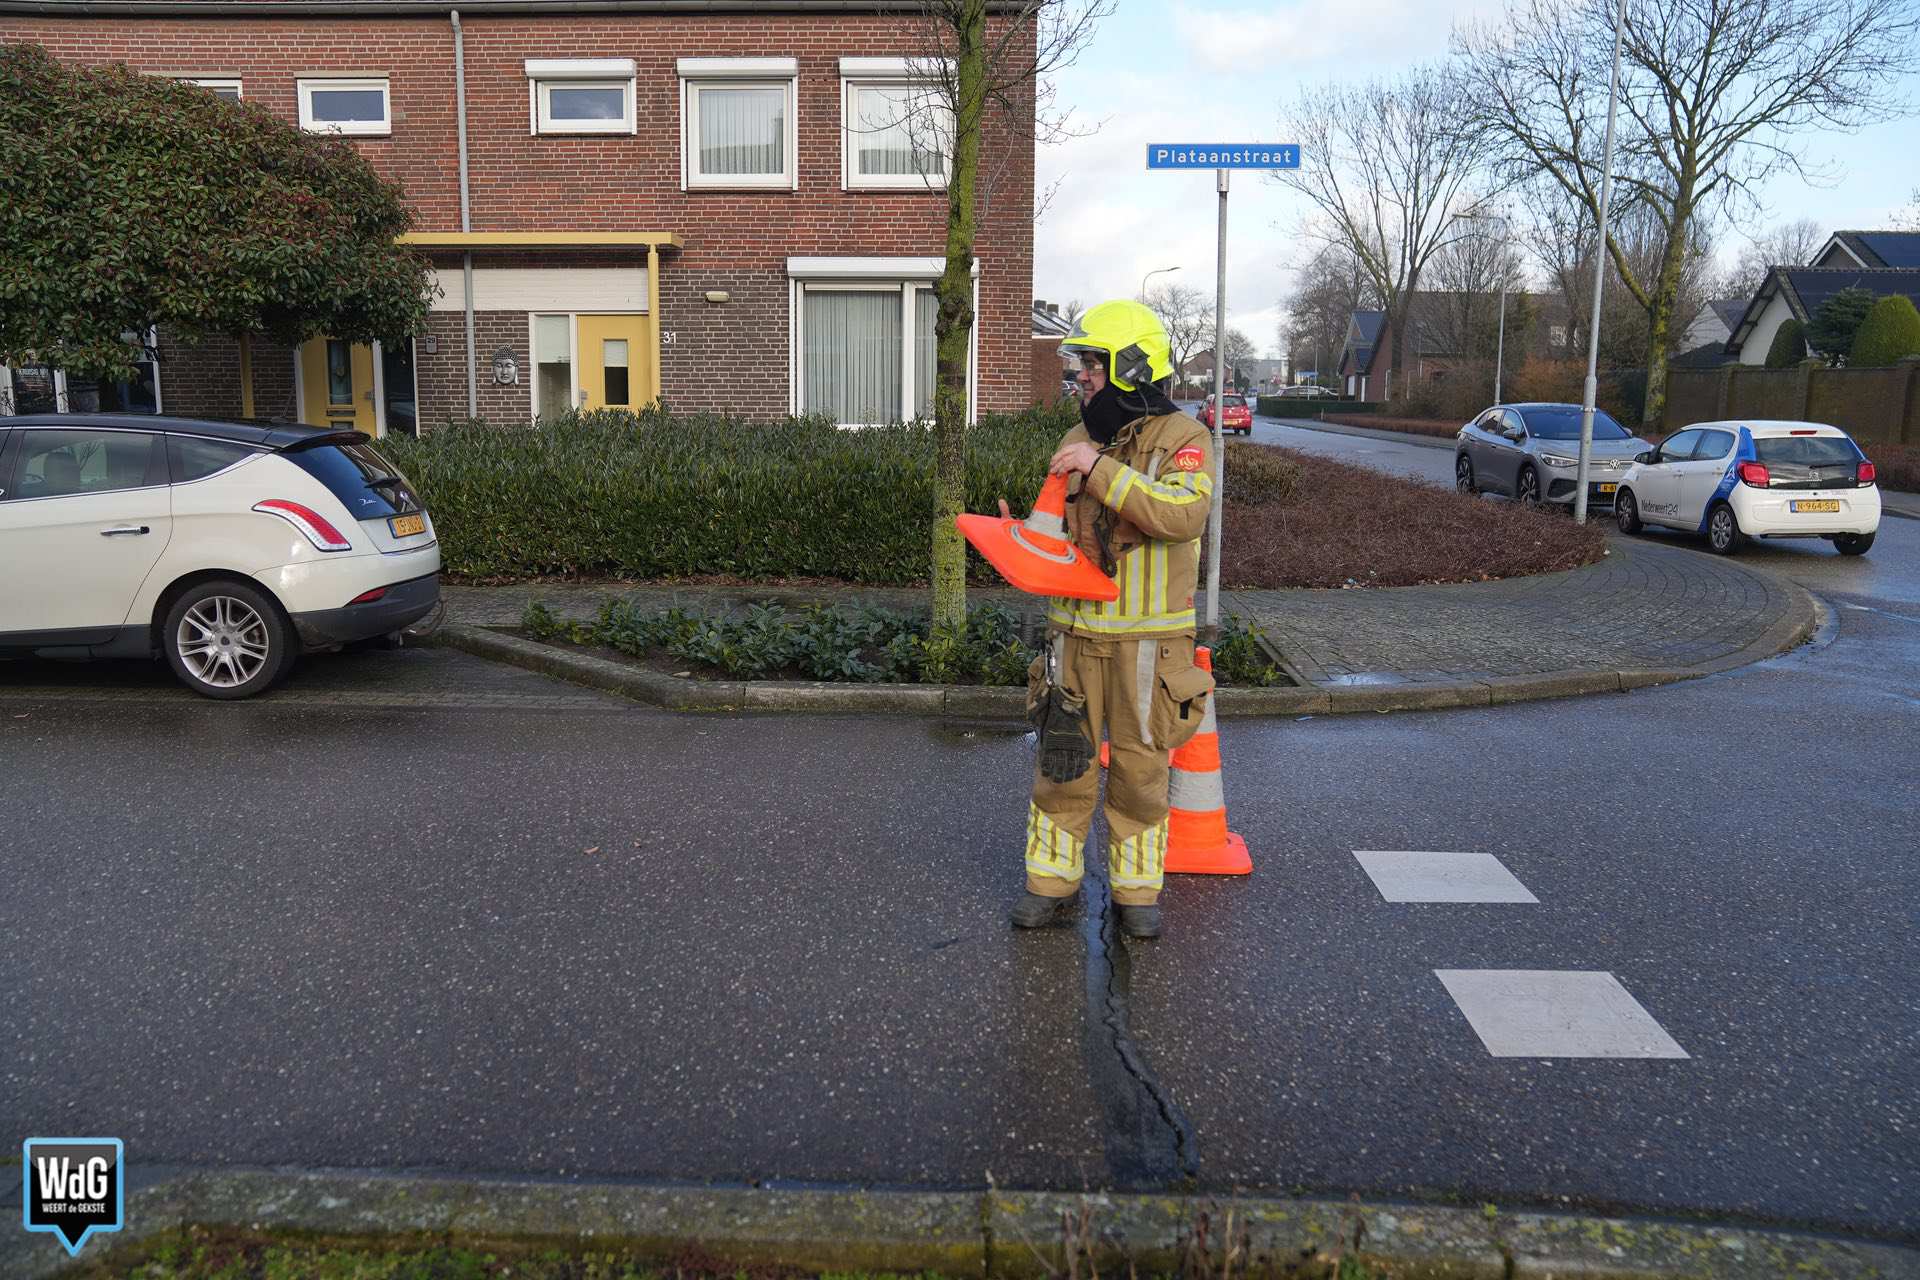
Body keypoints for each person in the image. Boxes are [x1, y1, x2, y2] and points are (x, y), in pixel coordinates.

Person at [1008, 299, 1217, 940]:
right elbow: (1052, 535)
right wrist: (1019, 541)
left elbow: (1182, 515)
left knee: (1140, 774)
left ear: (1132, 368)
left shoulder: (1185, 439)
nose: (1081, 376)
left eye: (1093, 364)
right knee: (1062, 765)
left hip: (1149, 647)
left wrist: (1099, 470)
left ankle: (1136, 896)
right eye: (1080, 364)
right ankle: (1050, 885)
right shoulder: (1076, 438)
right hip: (1072, 640)